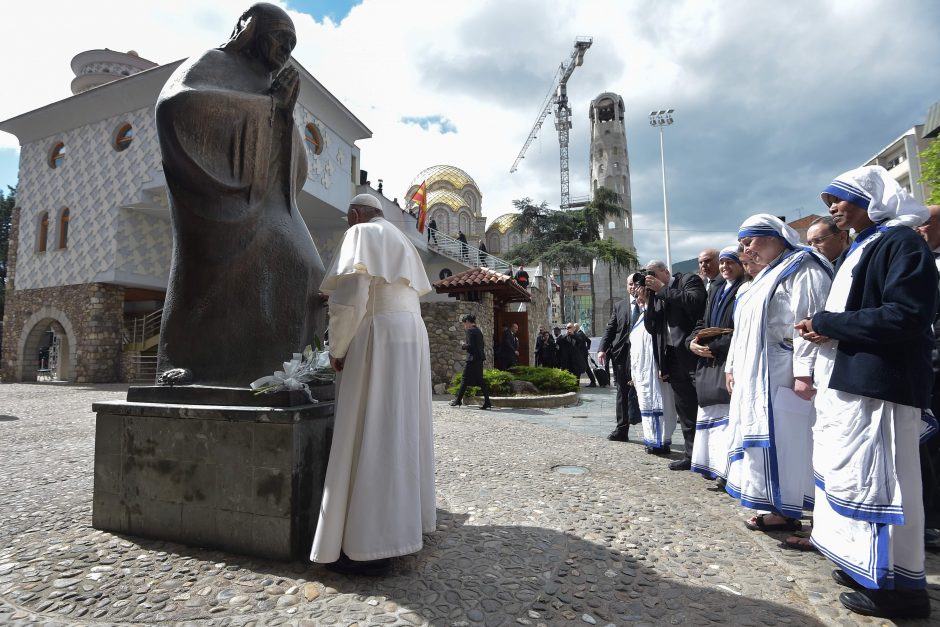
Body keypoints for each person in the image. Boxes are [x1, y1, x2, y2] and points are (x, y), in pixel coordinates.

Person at [155, 2, 326, 386]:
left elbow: (294, 166)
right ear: (250, 29)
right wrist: (268, 108)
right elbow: (176, 107)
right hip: (219, 206)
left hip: (270, 202)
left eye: (292, 45)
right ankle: (195, 364)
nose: (285, 51)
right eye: (280, 38)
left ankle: (287, 371)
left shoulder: (269, 84)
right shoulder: (212, 62)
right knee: (285, 265)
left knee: (309, 269)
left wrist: (282, 114)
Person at [798, 167, 936, 619]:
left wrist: (826, 323)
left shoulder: (901, 242)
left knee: (886, 487)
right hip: (856, 382)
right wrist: (826, 329)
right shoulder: (866, 245)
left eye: (839, 199)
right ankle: (867, 566)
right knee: (857, 480)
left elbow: (904, 315)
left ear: (869, 199)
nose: (832, 208)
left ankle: (899, 589)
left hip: (883, 387)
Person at [310, 193, 435, 575]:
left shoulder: (362, 233)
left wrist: (338, 346)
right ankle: (404, 528)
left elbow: (349, 299)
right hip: (412, 333)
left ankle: (370, 542)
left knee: (370, 426)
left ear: (355, 214)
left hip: (379, 332)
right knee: (402, 427)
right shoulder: (401, 239)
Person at [724, 214, 832, 536]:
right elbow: (742, 331)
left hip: (785, 373)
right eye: (743, 244)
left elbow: (809, 318)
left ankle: (790, 511)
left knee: (789, 443)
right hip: (757, 374)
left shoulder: (803, 265)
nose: (746, 250)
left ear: (775, 237)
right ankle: (773, 506)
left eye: (751, 242)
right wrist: (733, 368)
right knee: (767, 442)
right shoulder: (764, 278)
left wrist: (805, 372)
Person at [642, 260, 707, 470]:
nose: (649, 277)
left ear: (665, 271)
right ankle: (691, 455)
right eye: (646, 274)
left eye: (652, 273)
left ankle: (710, 457)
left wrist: (663, 290)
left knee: (704, 406)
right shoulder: (657, 294)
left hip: (694, 355)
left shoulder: (688, 280)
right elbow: (651, 326)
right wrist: (651, 297)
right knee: (685, 409)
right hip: (673, 358)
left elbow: (695, 304)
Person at [688, 246, 745, 480]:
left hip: (727, 358)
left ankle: (728, 470)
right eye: (722, 263)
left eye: (729, 262)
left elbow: (739, 329)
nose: (724, 267)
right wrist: (693, 341)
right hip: (709, 359)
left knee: (727, 420)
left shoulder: (744, 288)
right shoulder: (717, 289)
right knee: (710, 416)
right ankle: (711, 465)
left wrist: (714, 347)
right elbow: (703, 321)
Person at [915, 204, 940, 550]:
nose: (918, 228)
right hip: (927, 365)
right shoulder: (920, 260)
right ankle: (926, 520)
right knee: (924, 446)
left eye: (926, 224)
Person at [630, 279, 678, 454]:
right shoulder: (639, 315)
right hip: (642, 370)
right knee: (646, 404)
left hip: (655, 367)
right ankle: (651, 439)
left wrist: (662, 365)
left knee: (662, 403)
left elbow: (660, 338)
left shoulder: (656, 312)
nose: (637, 295)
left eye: (641, 291)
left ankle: (662, 441)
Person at [599, 274, 642, 442]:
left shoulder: (650, 302)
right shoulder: (620, 306)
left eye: (635, 284)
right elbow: (611, 328)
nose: (633, 287)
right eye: (630, 284)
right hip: (622, 356)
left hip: (643, 355)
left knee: (645, 392)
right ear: (627, 286)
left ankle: (653, 432)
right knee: (622, 393)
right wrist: (603, 348)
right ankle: (621, 429)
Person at [450, 314, 492, 409]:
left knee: (464, 379)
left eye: (464, 323)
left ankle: (458, 401)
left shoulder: (470, 331)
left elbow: (470, 346)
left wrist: (463, 345)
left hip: (472, 359)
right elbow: (481, 345)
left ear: (468, 322)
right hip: (479, 359)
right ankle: (487, 402)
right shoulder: (478, 331)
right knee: (480, 381)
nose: (464, 325)